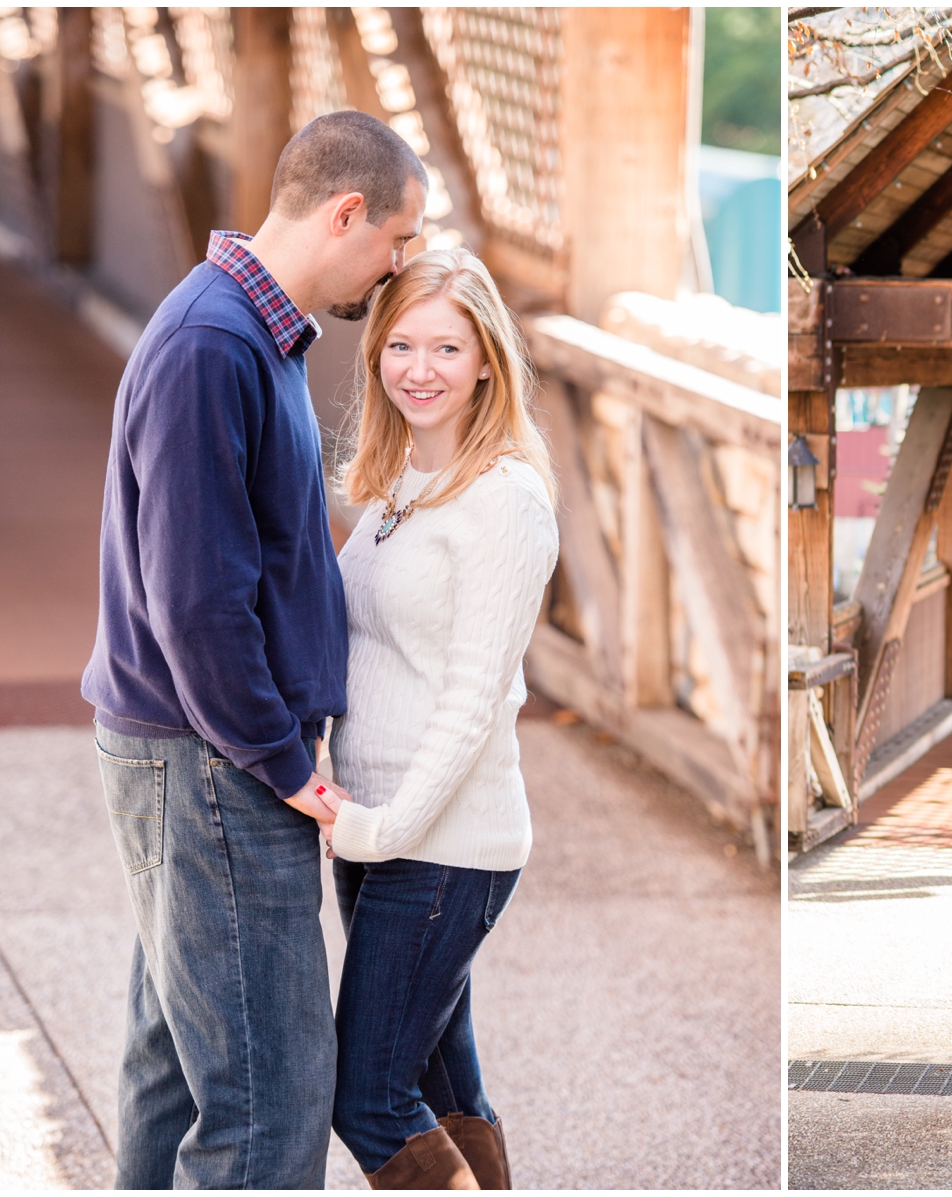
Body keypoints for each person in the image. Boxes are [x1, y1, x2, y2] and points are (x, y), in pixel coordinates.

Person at [82, 111, 425, 1189]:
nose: (398, 265)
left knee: (178, 1069)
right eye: (397, 239)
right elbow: (198, 604)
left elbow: (265, 539)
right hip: (214, 764)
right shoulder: (212, 345)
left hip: (194, 758)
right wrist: (286, 764)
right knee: (269, 1103)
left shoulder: (245, 332)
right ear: (346, 212)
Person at [319, 247, 558, 1189]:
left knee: (369, 1095)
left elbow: (472, 702)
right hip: (377, 831)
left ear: (487, 360)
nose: (420, 368)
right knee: (440, 1086)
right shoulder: (393, 486)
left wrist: (378, 828)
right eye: (402, 344)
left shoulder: (506, 500)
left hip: (442, 844)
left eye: (448, 348)